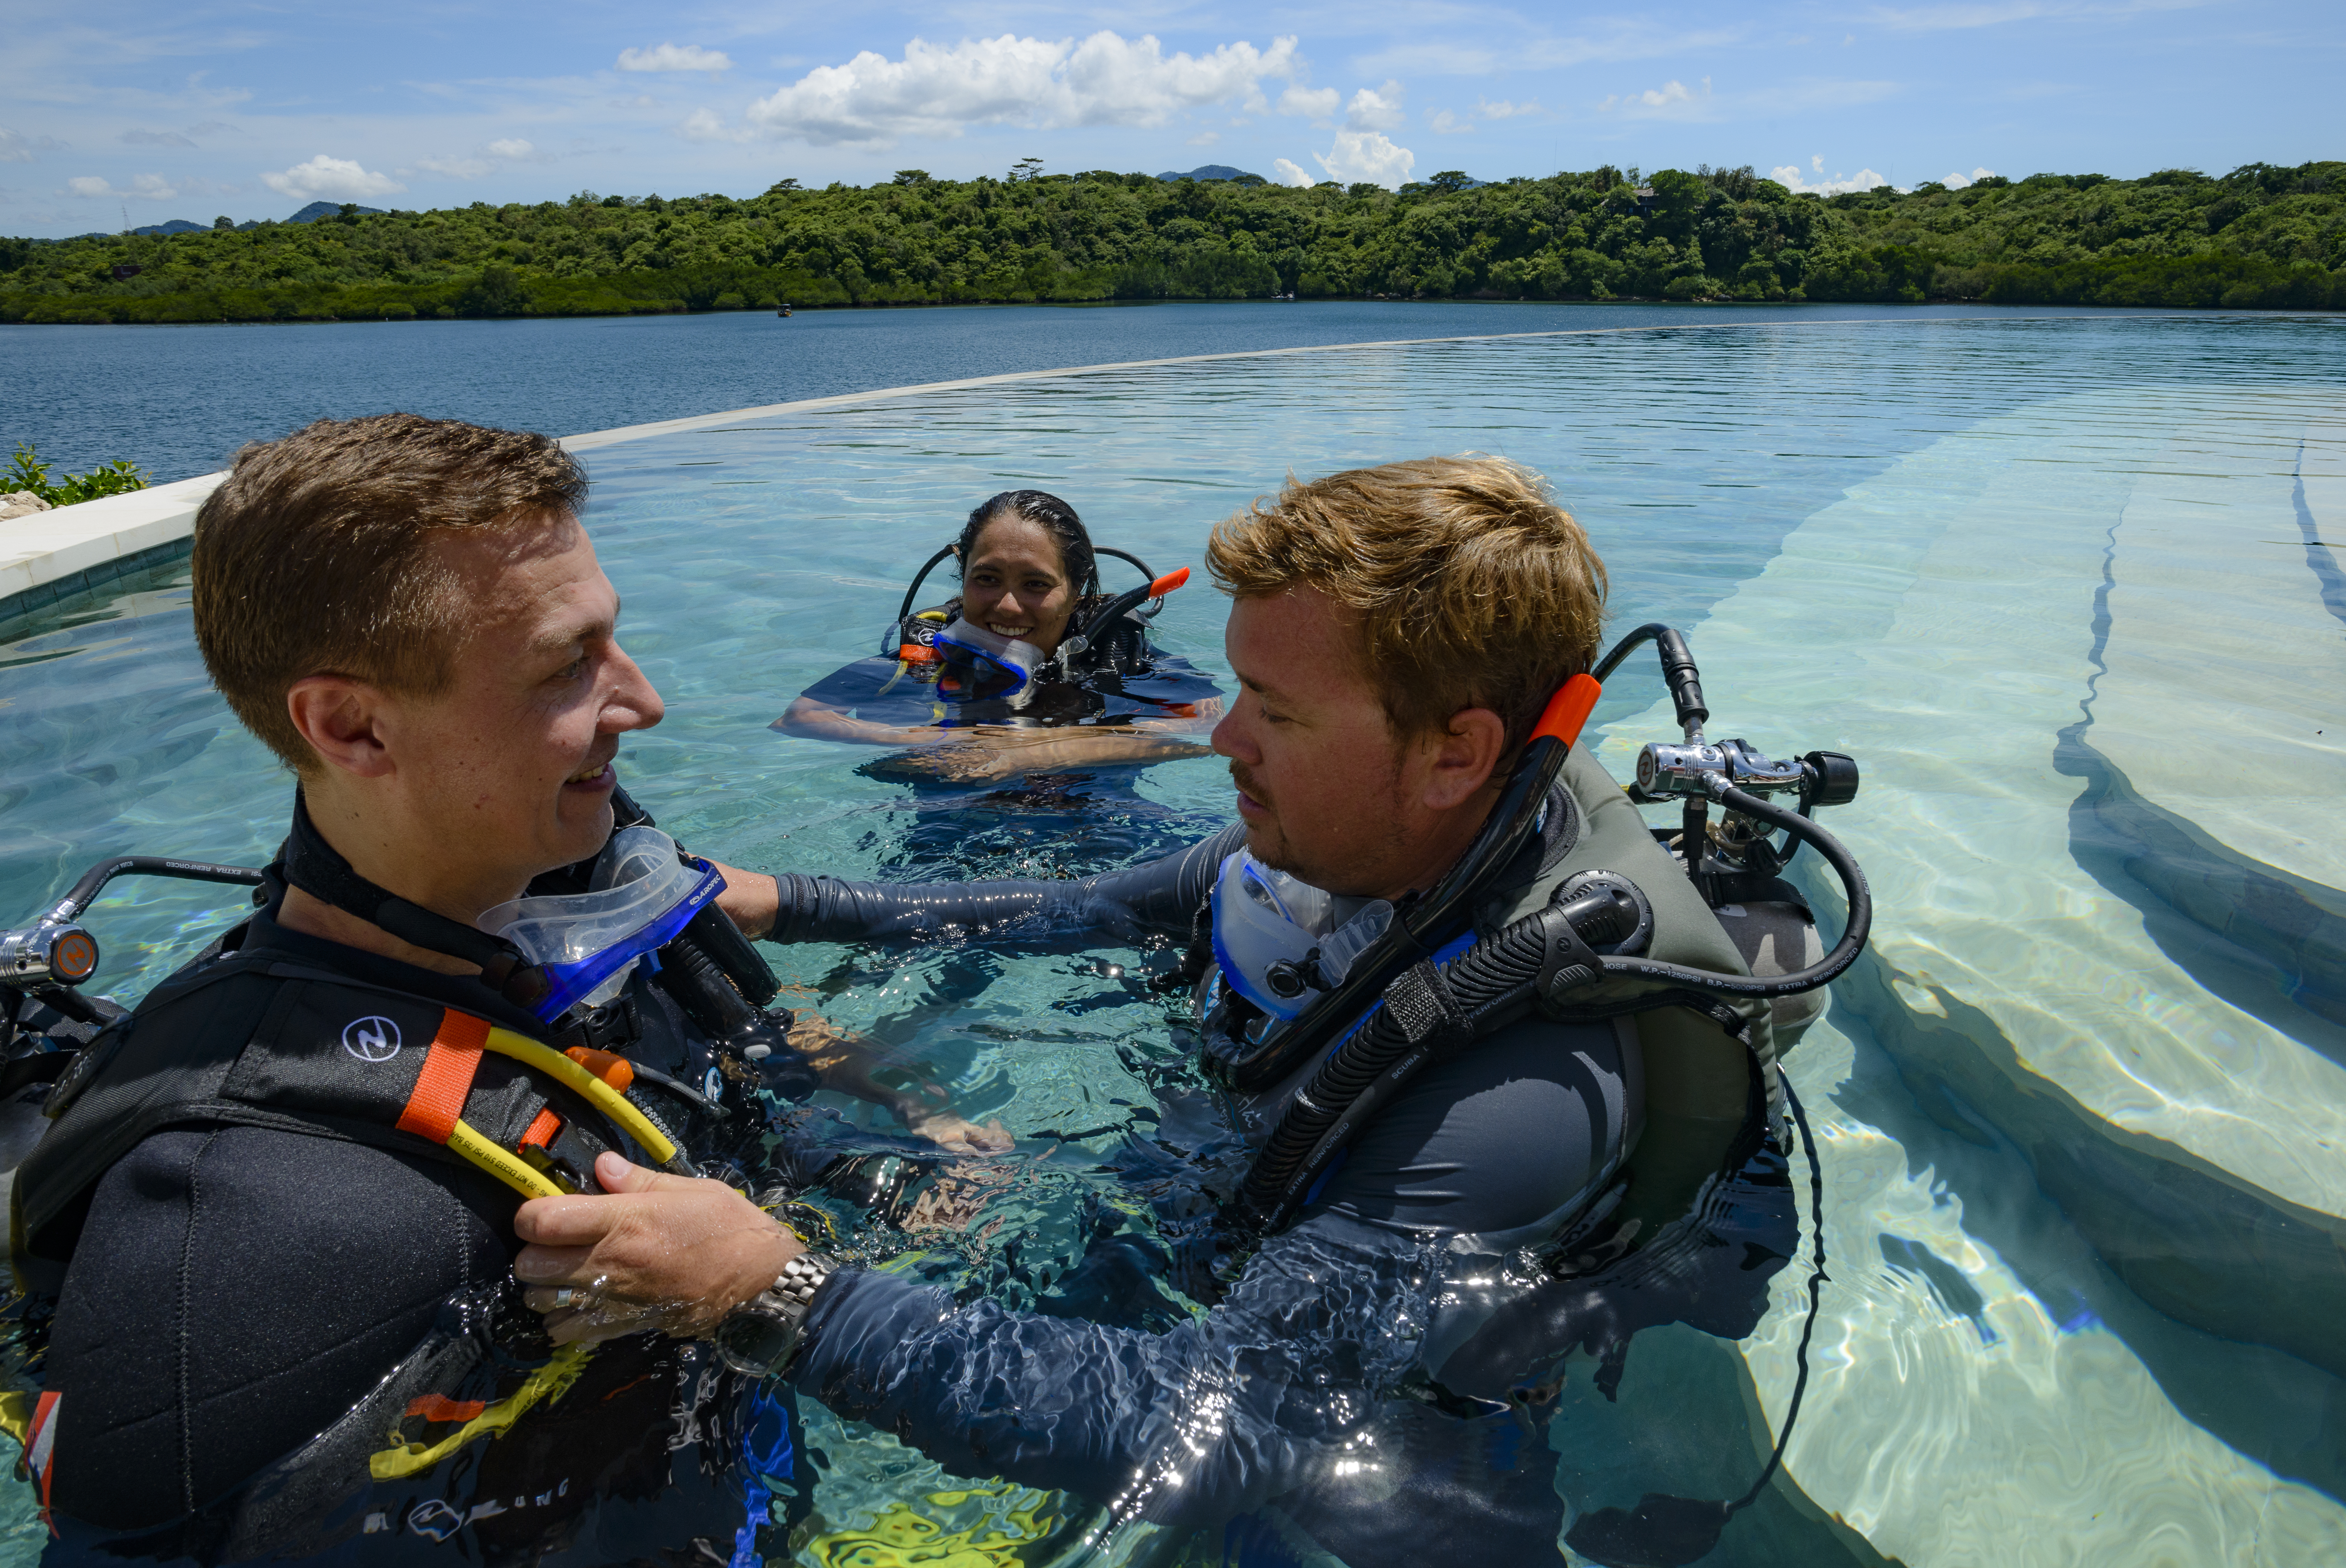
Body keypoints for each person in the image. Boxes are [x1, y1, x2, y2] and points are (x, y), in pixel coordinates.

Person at [518, 457, 1825, 1566]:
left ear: (1455, 753)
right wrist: (780, 898)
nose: (1222, 740)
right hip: (1242, 1209)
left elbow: (1226, 1415)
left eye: (1278, 709)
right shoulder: (1332, 860)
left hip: (1402, 1432)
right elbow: (1074, 903)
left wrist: (774, 1290)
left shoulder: (1520, 1088)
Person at [8, 414, 1004, 1553]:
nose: (640, 700)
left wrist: (885, 1114)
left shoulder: (568, 877)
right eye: (564, 665)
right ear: (353, 727)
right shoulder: (240, 1233)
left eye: (611, 642)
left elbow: (725, 1050)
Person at [771, 489, 1222, 783]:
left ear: (1077, 591)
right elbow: (798, 718)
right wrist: (927, 743)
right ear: (962, 574)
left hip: (1096, 815)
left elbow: (1206, 728)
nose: (1006, 605)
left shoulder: (1117, 655)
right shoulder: (929, 654)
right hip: (950, 823)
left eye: (1036, 585)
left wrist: (1027, 754)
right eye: (986, 579)